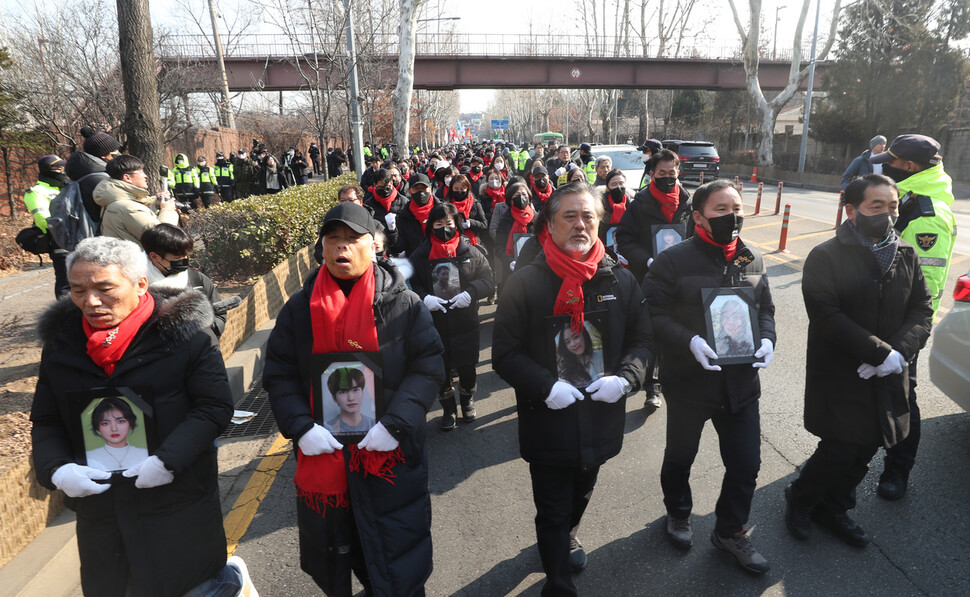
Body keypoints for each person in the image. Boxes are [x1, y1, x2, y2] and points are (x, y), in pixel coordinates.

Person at [31, 236, 254, 597]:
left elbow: (213, 407)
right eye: (77, 289)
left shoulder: (187, 338)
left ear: (140, 284)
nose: (90, 301)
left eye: (105, 288)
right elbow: (47, 419)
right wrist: (56, 469)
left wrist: (168, 461)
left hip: (176, 503)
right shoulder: (62, 345)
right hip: (101, 512)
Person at [263, 202, 444, 597]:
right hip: (324, 453)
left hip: (389, 455)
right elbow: (277, 374)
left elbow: (428, 367)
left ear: (375, 245)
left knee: (398, 559)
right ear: (322, 248)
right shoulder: (299, 309)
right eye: (333, 239)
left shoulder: (404, 304)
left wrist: (396, 424)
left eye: (352, 238)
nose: (342, 247)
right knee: (341, 553)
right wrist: (300, 427)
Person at [493, 181, 652, 596]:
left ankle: (569, 531)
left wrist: (627, 379)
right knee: (551, 507)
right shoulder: (525, 283)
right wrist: (546, 387)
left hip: (601, 416)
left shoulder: (620, 281)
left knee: (583, 488)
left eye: (589, 216)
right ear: (549, 223)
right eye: (570, 216)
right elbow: (505, 353)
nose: (581, 225)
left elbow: (643, 340)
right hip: (547, 419)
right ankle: (558, 583)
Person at [785, 174, 932, 547]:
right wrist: (879, 353)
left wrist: (897, 354)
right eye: (876, 207)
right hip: (842, 372)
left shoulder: (906, 253)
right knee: (839, 447)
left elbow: (922, 310)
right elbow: (827, 316)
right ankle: (801, 498)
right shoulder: (825, 256)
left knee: (868, 445)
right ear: (851, 211)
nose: (887, 214)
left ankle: (834, 507)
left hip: (889, 373)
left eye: (893, 206)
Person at [642, 179, 775, 574]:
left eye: (736, 208)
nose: (731, 217)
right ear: (698, 217)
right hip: (689, 382)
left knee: (746, 462)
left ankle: (730, 530)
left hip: (741, 384)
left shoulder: (751, 258)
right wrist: (690, 341)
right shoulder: (673, 260)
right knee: (681, 456)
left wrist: (766, 338)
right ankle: (678, 512)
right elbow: (651, 314)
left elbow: (765, 307)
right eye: (721, 210)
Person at [868, 134, 957, 500]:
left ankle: (897, 469)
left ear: (909, 166)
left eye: (891, 160)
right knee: (874, 392)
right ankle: (848, 456)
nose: (885, 164)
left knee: (901, 397)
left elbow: (923, 288)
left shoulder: (926, 213)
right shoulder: (908, 198)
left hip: (900, 326)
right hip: (882, 318)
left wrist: (902, 340)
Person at [616, 149, 694, 409]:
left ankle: (679, 381)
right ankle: (653, 387)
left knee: (682, 329)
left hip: (682, 280)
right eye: (662, 173)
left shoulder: (688, 203)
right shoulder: (639, 204)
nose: (668, 178)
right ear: (652, 175)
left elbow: (698, 236)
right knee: (653, 331)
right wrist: (648, 260)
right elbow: (624, 238)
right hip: (649, 278)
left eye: (672, 173)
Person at [410, 203, 494, 430]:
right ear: (431, 227)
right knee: (440, 370)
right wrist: (424, 297)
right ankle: (448, 409)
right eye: (439, 224)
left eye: (448, 223)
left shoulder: (470, 252)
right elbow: (410, 283)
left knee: (467, 367)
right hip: (434, 324)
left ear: (456, 224)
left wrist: (471, 292)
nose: (444, 228)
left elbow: (488, 279)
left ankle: (467, 400)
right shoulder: (420, 255)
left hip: (465, 322)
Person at [142, 224, 228, 338]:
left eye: (185, 255)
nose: (184, 260)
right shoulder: (137, 286)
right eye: (177, 258)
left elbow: (219, 315)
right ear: (154, 257)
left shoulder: (196, 279)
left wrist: (205, 332)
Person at [93, 155, 179, 247]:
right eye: (141, 172)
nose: (145, 176)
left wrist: (156, 202)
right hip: (137, 260)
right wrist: (168, 210)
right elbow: (163, 238)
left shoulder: (115, 201)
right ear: (127, 178)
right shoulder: (128, 209)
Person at [24, 154, 71, 298]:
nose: (62, 171)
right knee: (66, 282)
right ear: (46, 170)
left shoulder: (66, 186)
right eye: (57, 168)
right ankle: (65, 318)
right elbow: (44, 219)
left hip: (78, 238)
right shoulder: (36, 192)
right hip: (58, 241)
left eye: (63, 167)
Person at [64, 127, 119, 225]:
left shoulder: (86, 173)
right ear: (103, 156)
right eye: (114, 153)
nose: (118, 154)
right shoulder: (99, 179)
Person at [85, 396, 150, 472]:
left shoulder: (145, 454)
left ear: (130, 423)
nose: (114, 429)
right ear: (97, 427)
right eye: (105, 423)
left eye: (120, 421)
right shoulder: (89, 457)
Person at [389, 173, 436, 258]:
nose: (420, 192)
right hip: (415, 262)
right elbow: (399, 247)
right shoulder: (404, 215)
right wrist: (392, 232)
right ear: (409, 191)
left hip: (440, 261)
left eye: (423, 188)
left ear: (430, 189)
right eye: (416, 189)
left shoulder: (442, 210)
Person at [324, 367, 376, 434]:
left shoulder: (375, 425)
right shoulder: (327, 429)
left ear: (363, 393)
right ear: (334, 397)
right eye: (343, 392)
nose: (351, 398)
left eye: (355, 390)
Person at [555, 322, 604, 389]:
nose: (573, 344)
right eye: (567, 342)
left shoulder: (601, 356)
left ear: (584, 335)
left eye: (576, 337)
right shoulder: (563, 370)